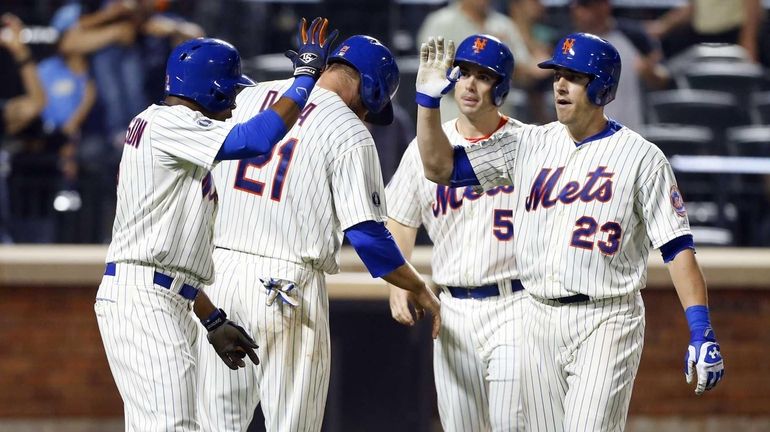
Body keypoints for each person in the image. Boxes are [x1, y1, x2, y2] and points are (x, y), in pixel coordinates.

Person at [413, 33, 725, 430]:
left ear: (601, 88)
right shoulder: (528, 143)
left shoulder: (642, 158)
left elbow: (678, 248)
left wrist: (701, 329)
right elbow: (440, 169)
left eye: (574, 77)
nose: (559, 84)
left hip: (606, 318)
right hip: (536, 317)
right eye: (558, 74)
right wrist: (426, 104)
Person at [94, 17, 338, 431]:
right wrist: (305, 78)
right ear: (211, 88)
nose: (232, 103)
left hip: (165, 296)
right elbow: (256, 140)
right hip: (144, 299)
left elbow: (176, 261)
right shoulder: (168, 124)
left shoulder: (173, 134)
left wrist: (212, 318)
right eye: (229, 91)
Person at [196, 35, 441, 432]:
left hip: (218, 275)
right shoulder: (349, 131)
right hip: (286, 286)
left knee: (216, 423)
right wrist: (416, 285)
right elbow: (367, 236)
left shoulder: (250, 96)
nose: (366, 115)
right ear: (372, 89)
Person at [387, 34, 526, 431]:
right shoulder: (424, 148)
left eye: (483, 76)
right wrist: (398, 281)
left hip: (516, 303)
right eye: (463, 73)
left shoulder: (526, 144)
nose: (469, 84)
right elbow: (400, 217)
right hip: (452, 311)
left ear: (501, 87)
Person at [570, 0, 670, 130]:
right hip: (582, 134)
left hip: (631, 131)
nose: (579, 12)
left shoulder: (634, 37)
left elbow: (663, 78)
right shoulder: (568, 43)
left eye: (586, 5)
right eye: (576, 6)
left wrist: (649, 72)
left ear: (605, 6)